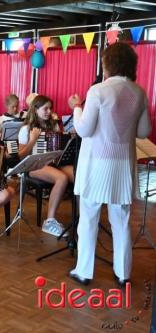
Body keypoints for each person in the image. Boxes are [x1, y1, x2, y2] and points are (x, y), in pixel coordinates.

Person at [68, 42, 152, 286]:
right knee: (121, 220)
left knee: (89, 217)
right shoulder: (139, 92)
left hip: (96, 164)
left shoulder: (98, 91)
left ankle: (84, 271)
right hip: (122, 166)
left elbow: (83, 129)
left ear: (107, 64)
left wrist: (76, 108)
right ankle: (123, 273)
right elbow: (144, 131)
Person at [17, 95, 74, 237]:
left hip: (54, 163)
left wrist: (69, 138)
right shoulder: (26, 129)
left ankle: (81, 217)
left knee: (77, 174)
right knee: (61, 178)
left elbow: (59, 147)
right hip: (34, 166)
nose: (49, 111)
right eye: (45, 108)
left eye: (50, 108)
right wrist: (33, 140)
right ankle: (49, 221)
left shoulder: (53, 125)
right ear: (35, 109)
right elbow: (21, 155)